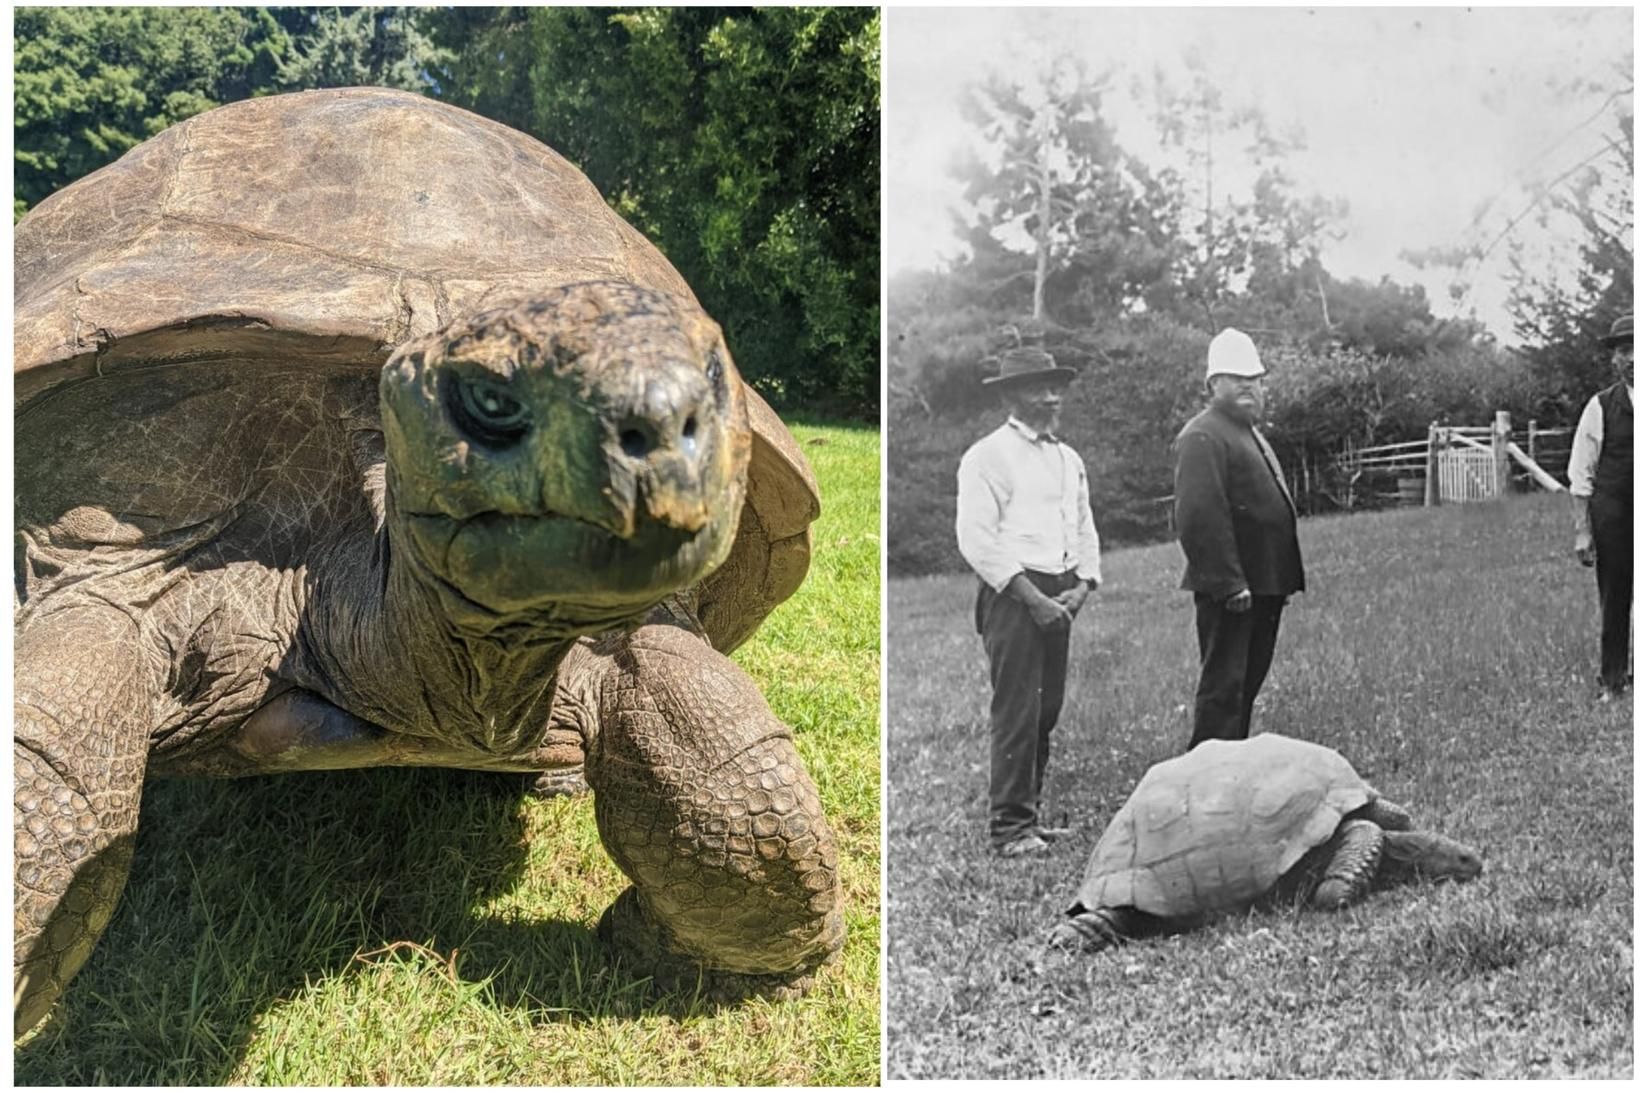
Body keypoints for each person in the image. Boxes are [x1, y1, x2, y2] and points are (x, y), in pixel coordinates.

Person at [956, 346, 1101, 857]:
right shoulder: (987, 456)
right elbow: (976, 539)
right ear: (1012, 394)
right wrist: (1033, 598)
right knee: (1017, 710)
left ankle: (1030, 816)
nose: (1053, 395)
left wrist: (1083, 586)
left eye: (1057, 385)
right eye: (1041, 386)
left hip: (1061, 592)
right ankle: (1010, 828)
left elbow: (1083, 526)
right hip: (1014, 597)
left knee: (1047, 710)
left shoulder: (1068, 458)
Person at [1172, 328, 1305, 749]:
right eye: (1236, 377)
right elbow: (1198, 516)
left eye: (1255, 377)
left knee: (1245, 686)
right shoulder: (1203, 434)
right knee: (1223, 690)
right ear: (1214, 384)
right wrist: (1230, 583)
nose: (1248, 384)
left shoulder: (1247, 431)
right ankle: (1206, 780)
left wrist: (1277, 580)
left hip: (1264, 584)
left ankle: (1231, 773)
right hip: (1234, 589)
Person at [1568, 313, 1633, 702]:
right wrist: (1582, 529)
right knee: (1615, 594)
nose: (1633, 358)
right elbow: (1581, 471)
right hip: (1614, 513)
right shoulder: (1601, 406)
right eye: (1624, 350)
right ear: (1614, 359)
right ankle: (1613, 680)